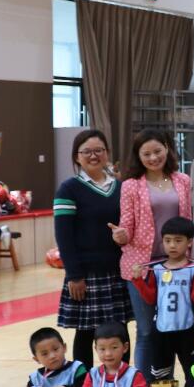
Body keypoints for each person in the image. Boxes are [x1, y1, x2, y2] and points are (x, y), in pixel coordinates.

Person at [113, 129, 194, 382]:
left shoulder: (182, 180)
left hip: (178, 265)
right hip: (142, 267)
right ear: (138, 156)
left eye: (157, 151)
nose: (153, 157)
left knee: (180, 328)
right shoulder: (130, 185)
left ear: (167, 148)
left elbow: (187, 221)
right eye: (146, 153)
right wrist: (120, 235)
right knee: (147, 330)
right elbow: (126, 225)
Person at [54, 129, 131, 366]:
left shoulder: (121, 187)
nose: (93, 155)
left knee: (120, 331)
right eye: (86, 151)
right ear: (77, 157)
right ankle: (84, 384)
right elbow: (64, 237)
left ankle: (124, 381)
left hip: (118, 271)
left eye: (99, 150)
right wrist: (74, 275)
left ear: (107, 153)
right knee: (86, 332)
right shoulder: (68, 189)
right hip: (86, 275)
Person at [128, 216, 194, 380]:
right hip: (161, 330)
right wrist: (138, 280)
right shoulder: (156, 268)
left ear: (189, 242)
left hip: (187, 329)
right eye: (167, 240)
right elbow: (150, 298)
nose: (172, 245)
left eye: (178, 240)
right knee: (160, 375)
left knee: (192, 372)